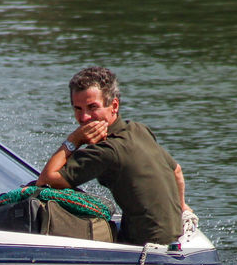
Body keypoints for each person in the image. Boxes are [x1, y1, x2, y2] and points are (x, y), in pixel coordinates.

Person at [36, 66, 188, 246]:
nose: (84, 117)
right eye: (78, 108)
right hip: (175, 236)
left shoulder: (105, 151)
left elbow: (45, 181)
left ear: (114, 106)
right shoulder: (138, 129)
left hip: (146, 246)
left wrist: (74, 140)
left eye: (92, 107)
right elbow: (176, 171)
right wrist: (182, 207)